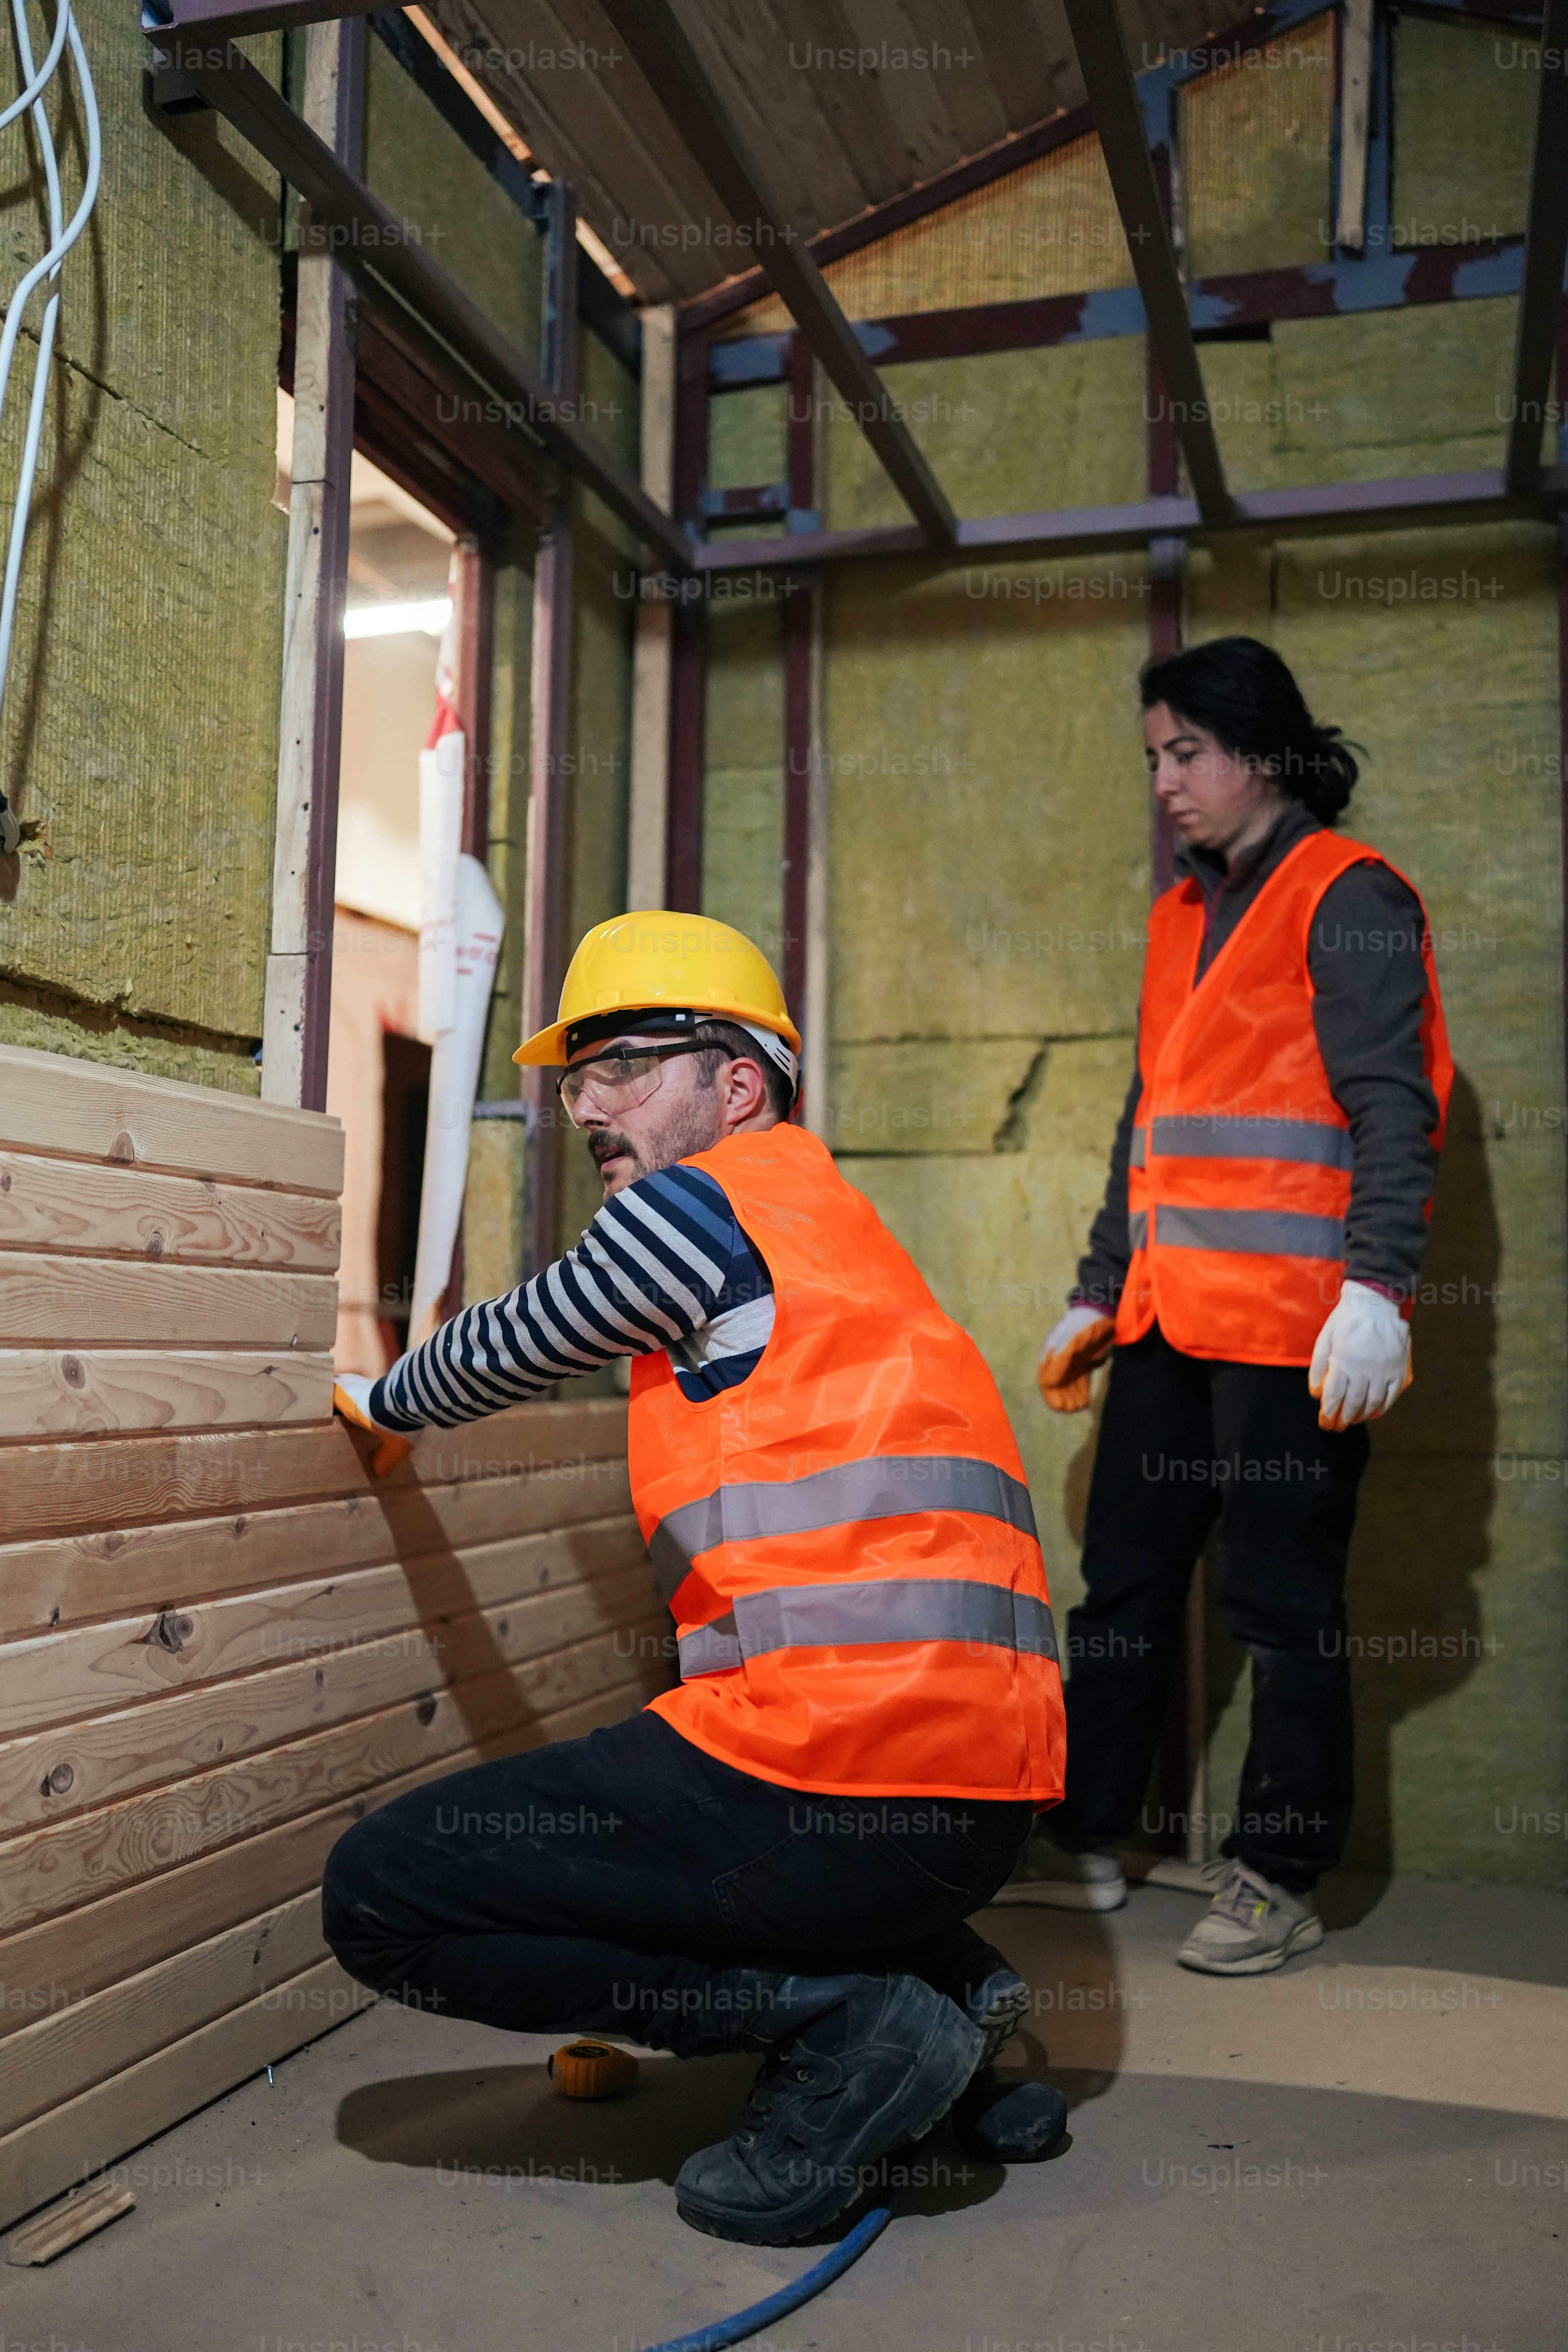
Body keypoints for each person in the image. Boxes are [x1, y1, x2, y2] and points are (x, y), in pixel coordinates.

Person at [324, 912, 1067, 2245]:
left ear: (739, 1083)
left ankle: (857, 2025)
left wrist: (379, 1399)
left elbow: (517, 1338)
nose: (593, 1110)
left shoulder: (701, 1205)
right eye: (579, 1081)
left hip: (834, 1773)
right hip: (980, 1811)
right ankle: (945, 1993)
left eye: (628, 1068)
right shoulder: (845, 1234)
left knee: (385, 1891)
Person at [998, 637, 1451, 1975]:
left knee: (1283, 1604)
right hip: (1167, 1321)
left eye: (1185, 752)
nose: (1165, 783)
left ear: (1264, 748)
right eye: (1154, 758)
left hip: (1299, 1332)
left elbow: (1393, 1109)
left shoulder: (1352, 895)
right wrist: (1096, 1284)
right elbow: (1153, 1122)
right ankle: (1085, 1833)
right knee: (1124, 1590)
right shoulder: (1179, 917)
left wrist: (1379, 1292)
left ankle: (1279, 1871)